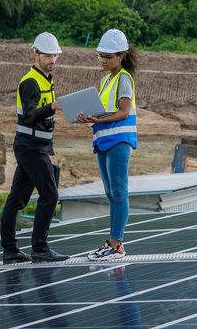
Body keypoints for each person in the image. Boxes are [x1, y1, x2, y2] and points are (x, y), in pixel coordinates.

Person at [0, 32, 70, 263]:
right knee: (50, 195)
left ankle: (10, 251)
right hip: (29, 147)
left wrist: (48, 152)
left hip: (36, 147)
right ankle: (39, 248)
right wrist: (53, 106)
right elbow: (30, 117)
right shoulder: (31, 82)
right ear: (36, 54)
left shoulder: (46, 80)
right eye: (48, 55)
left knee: (16, 200)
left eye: (55, 55)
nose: (52, 59)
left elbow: (44, 124)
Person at [78, 28, 137, 261]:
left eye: (108, 56)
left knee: (119, 193)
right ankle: (113, 243)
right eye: (101, 56)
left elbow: (123, 112)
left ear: (121, 56)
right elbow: (103, 111)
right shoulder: (105, 80)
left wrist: (98, 118)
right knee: (111, 193)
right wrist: (89, 117)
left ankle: (116, 244)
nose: (103, 60)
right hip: (103, 141)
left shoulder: (124, 78)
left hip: (119, 141)